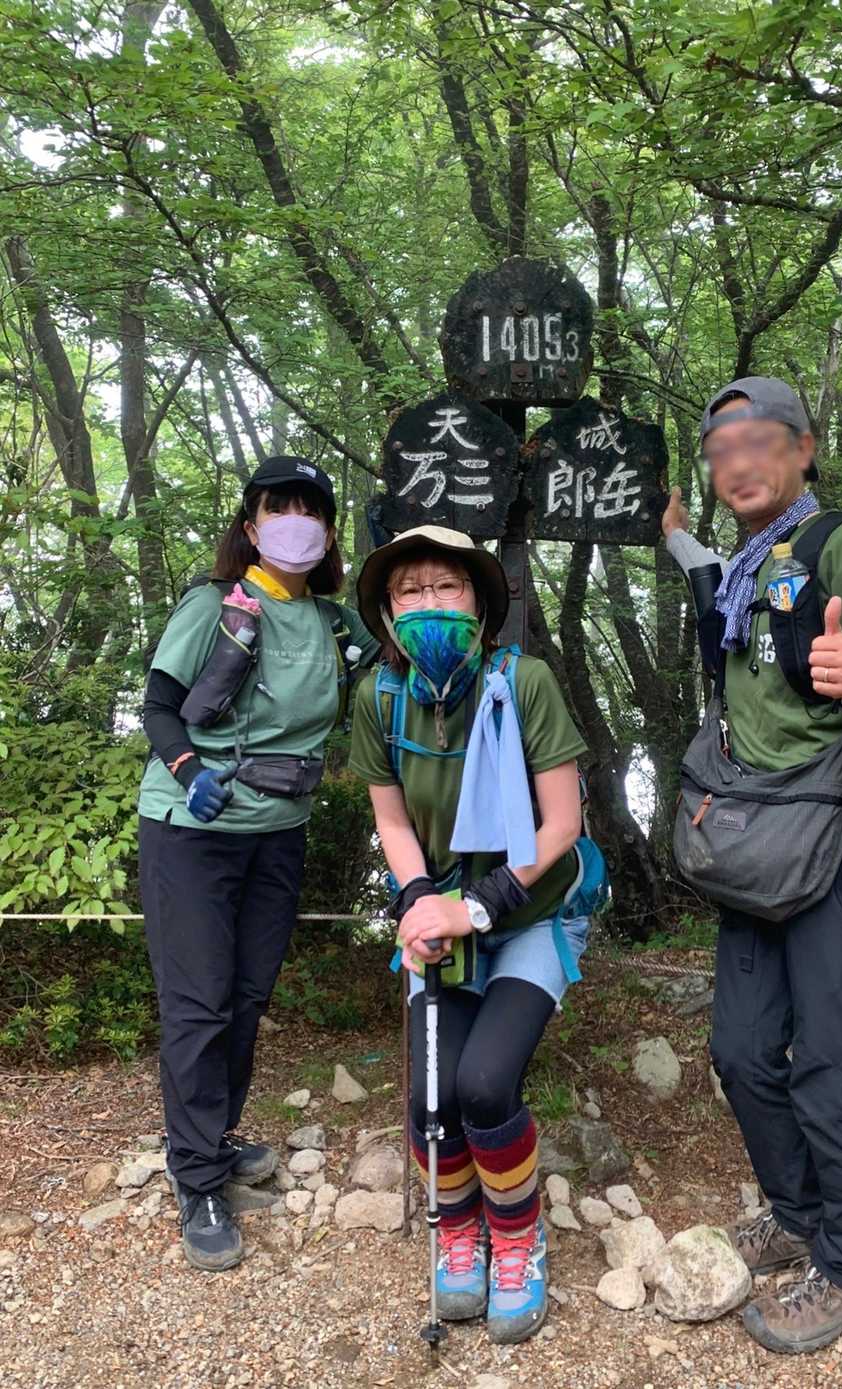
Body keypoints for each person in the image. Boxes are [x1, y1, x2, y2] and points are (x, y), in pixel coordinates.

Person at [662, 377, 842, 1355]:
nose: (737, 460)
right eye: (718, 448)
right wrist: (670, 532)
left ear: (802, 448)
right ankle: (797, 1214)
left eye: (757, 439)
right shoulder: (747, 567)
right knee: (741, 1051)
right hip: (758, 843)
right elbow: (710, 576)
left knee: (828, 1057)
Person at [348, 525, 592, 1345]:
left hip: (528, 913)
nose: (428, 603)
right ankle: (459, 1227)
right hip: (439, 918)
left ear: (480, 605)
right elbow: (391, 819)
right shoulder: (380, 697)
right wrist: (420, 898)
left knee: (485, 1083)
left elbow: (561, 822)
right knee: (432, 1098)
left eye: (445, 586)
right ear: (387, 612)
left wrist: (476, 905)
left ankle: (516, 1234)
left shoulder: (523, 683)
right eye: (408, 590)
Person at [138, 455, 377, 1272]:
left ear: (329, 533)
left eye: (310, 509)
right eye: (279, 507)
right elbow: (158, 707)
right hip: (192, 829)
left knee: (245, 997)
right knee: (198, 1003)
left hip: (280, 830)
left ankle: (212, 1135)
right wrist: (188, 772)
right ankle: (197, 1176)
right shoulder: (214, 605)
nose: (294, 521)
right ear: (249, 525)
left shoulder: (334, 624)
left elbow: (389, 664)